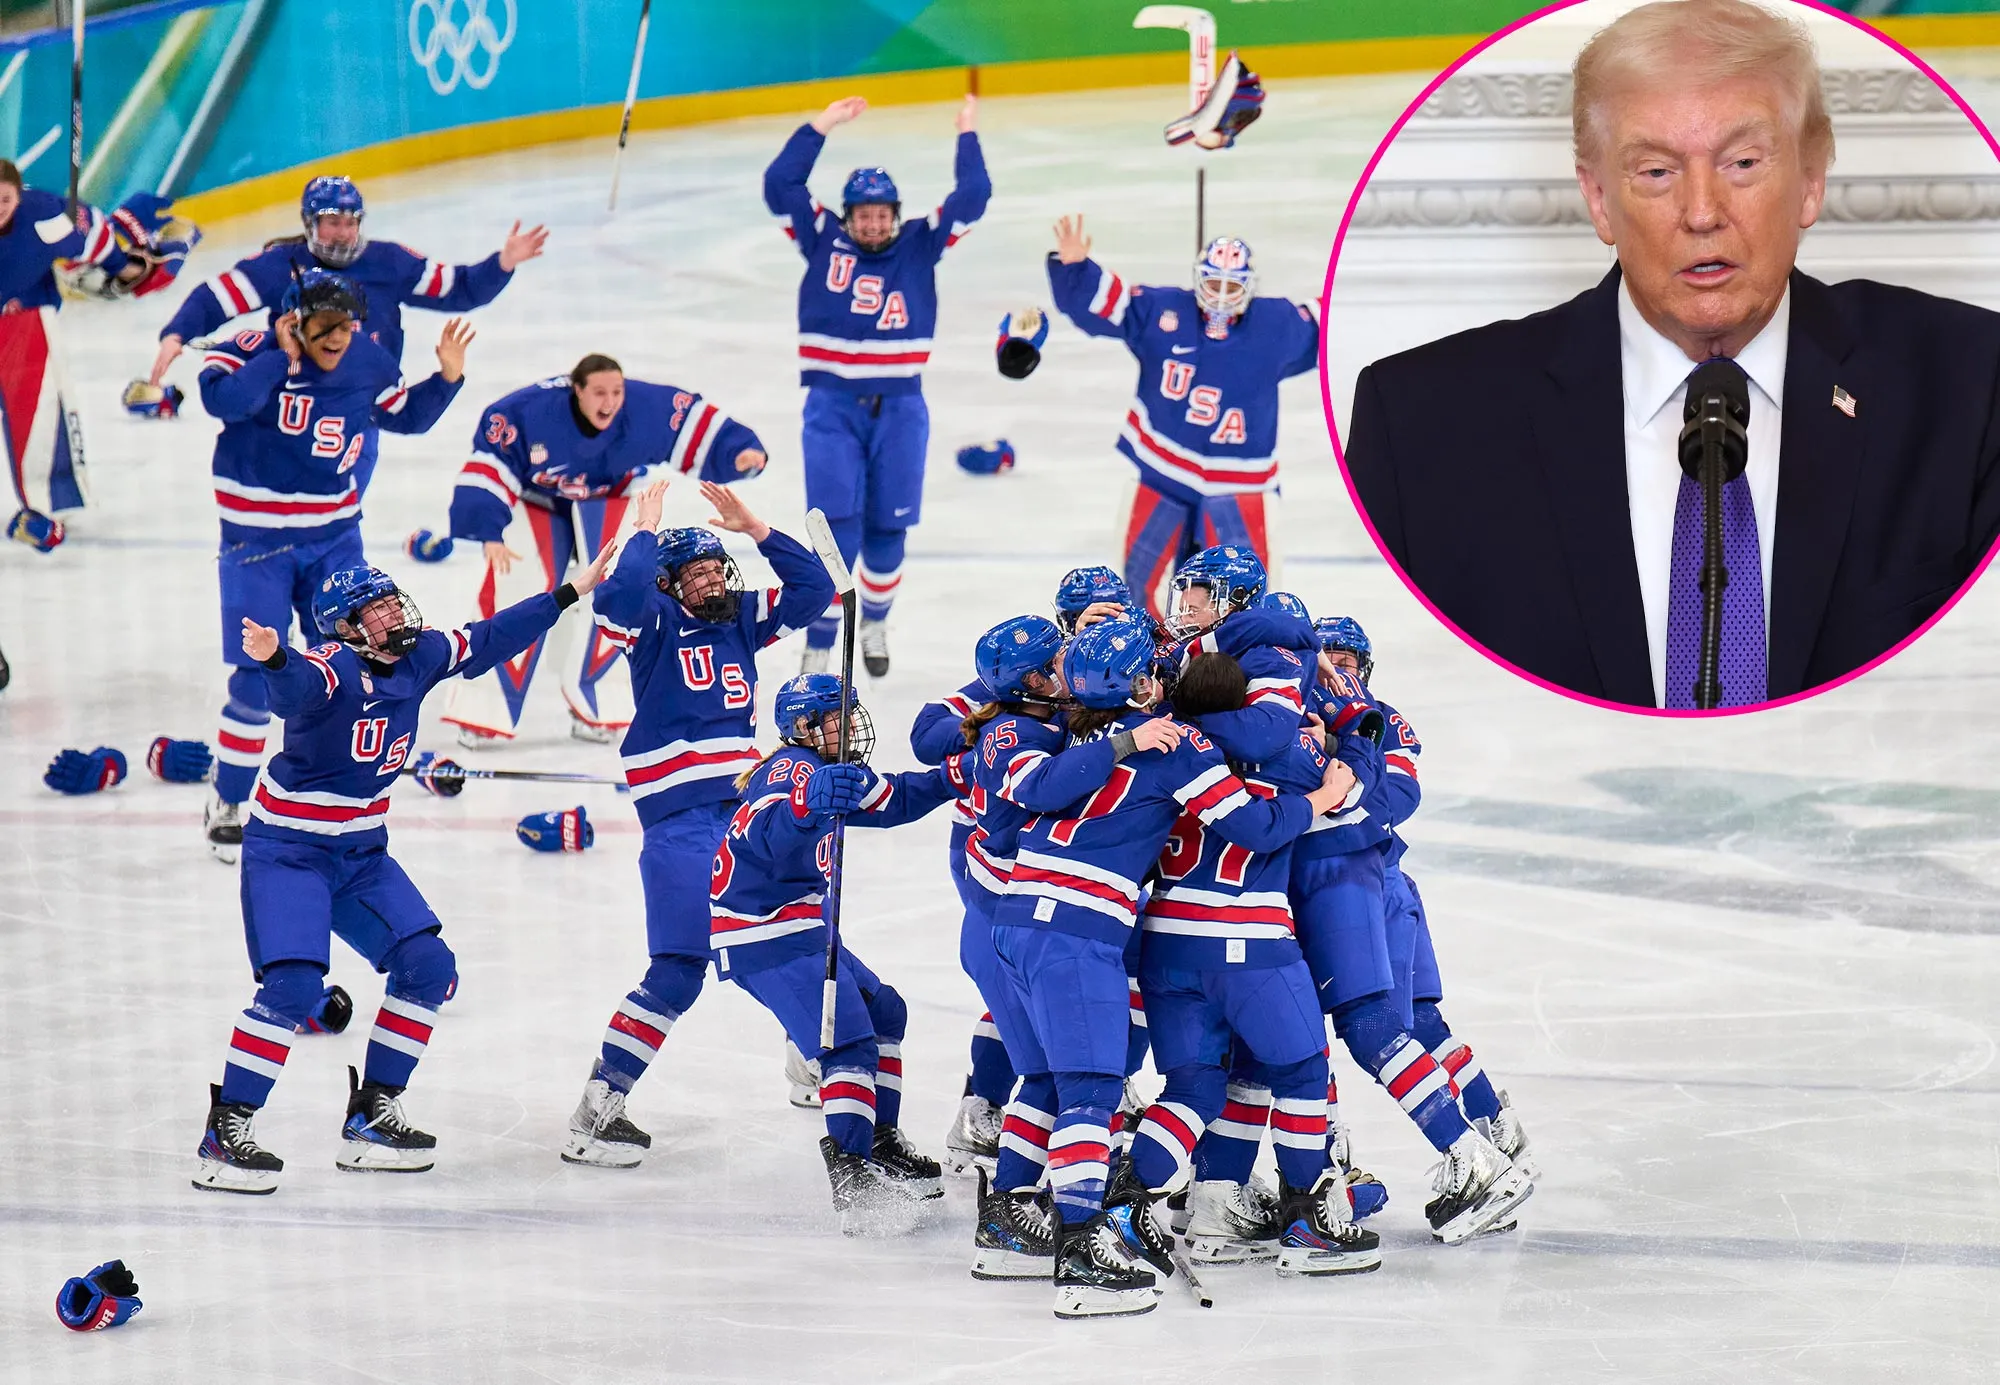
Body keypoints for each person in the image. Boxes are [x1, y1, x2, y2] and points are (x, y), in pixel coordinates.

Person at [1343, 0, 2000, 708]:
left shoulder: (1970, 384)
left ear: (1811, 180)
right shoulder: (1421, 426)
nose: (1702, 211)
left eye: (1743, 162)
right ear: (1598, 199)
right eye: (1655, 172)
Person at [192, 548, 615, 1193]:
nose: (396, 614)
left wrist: (568, 594)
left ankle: (371, 1116)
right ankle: (227, 1131)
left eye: (394, 602)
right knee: (293, 989)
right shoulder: (331, 670)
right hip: (290, 854)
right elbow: (294, 689)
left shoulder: (417, 658)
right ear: (348, 628)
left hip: (361, 854)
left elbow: (492, 637)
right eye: (379, 609)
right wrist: (275, 657)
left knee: (429, 967)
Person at [989, 616, 1355, 1319]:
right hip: (1089, 929)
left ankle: (1029, 1217)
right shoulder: (1177, 740)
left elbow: (1018, 806)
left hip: (1024, 916)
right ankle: (1085, 1256)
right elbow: (1253, 824)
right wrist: (1321, 790)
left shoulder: (1073, 733)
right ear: (1139, 682)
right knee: (1093, 1093)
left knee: (1072, 1082)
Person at [558, 478, 832, 1169]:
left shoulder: (740, 616)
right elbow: (614, 599)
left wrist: (758, 530)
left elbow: (815, 592)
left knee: (802, 932)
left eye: (718, 567)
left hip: (744, 817)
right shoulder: (649, 619)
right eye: (698, 572)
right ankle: (598, 1107)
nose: (714, 579)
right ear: (671, 583)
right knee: (679, 968)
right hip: (681, 825)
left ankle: (814, 1058)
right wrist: (644, 538)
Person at [196, 269, 470, 863]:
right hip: (256, 543)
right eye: (326, 325)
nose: (339, 336)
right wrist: (282, 358)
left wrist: (446, 379)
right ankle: (230, 798)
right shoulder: (250, 349)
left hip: (334, 540)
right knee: (253, 678)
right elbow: (224, 401)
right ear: (295, 318)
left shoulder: (368, 360)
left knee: (359, 664)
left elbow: (405, 415)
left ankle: (338, 793)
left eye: (347, 324)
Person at [1129, 649, 1382, 1277]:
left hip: (1164, 945)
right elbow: (1351, 797)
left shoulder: (1154, 747)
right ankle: (1307, 1220)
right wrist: (1353, 746)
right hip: (1248, 943)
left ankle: (1124, 1202)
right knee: (1299, 1070)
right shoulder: (1288, 755)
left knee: (1191, 1088)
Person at [710, 673, 958, 1231]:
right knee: (847, 1041)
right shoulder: (790, 769)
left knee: (884, 1011)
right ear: (803, 727)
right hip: (763, 932)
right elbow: (761, 834)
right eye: (836, 716)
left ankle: (879, 1138)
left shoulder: (827, 769)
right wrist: (804, 807)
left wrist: (954, 778)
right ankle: (850, 1170)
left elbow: (893, 799)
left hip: (804, 925)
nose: (849, 725)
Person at [764, 93, 990, 677]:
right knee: (835, 523)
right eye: (861, 214)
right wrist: (822, 124)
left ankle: (876, 620)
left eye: (881, 212)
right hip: (832, 405)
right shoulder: (820, 238)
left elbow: (974, 198)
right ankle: (819, 638)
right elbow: (779, 182)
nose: (872, 222)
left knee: (889, 524)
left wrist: (966, 132)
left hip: (901, 405)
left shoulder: (921, 242)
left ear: (895, 213)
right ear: (847, 216)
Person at [1317, 616, 1539, 1205]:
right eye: (1327, 658)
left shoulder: (1380, 720)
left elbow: (1400, 798)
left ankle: (1474, 1139)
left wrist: (1330, 816)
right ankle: (1491, 1125)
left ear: (1364, 667)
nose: (1337, 670)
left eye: (1347, 660)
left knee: (1374, 1030)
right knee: (1411, 1026)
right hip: (1377, 887)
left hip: (1372, 889)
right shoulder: (1309, 718)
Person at [435, 356, 768, 746]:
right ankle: (483, 707)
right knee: (519, 588)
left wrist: (741, 453)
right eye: (599, 393)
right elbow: (489, 463)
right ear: (576, 391)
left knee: (623, 592)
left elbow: (693, 424)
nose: (610, 402)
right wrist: (489, 530)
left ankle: (597, 700)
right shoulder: (527, 414)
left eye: (616, 392)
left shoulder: (643, 410)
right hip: (538, 500)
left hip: (612, 499)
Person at [1047, 220, 1319, 619]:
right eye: (1214, 284)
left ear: (1249, 286)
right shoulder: (1164, 311)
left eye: (1232, 286)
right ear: (1198, 280)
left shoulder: (1276, 324)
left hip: (1239, 482)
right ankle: (1146, 673)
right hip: (1164, 473)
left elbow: (1332, 320)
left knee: (1245, 602)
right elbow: (1108, 305)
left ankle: (1234, 677)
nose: (1222, 296)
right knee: (1141, 595)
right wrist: (1076, 268)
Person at [150, 175, 539, 387]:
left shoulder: (389, 261)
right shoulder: (277, 265)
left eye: (351, 223)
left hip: (366, 398)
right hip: (300, 394)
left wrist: (502, 263)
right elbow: (214, 298)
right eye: (333, 222)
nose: (344, 232)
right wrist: (176, 334)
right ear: (310, 224)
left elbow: (457, 288)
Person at [1, 160, 191, 545]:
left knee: (39, 415)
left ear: (19, 195)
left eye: (4, 198)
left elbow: (96, 238)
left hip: (23, 325)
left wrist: (124, 267)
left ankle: (42, 505)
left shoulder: (45, 216)